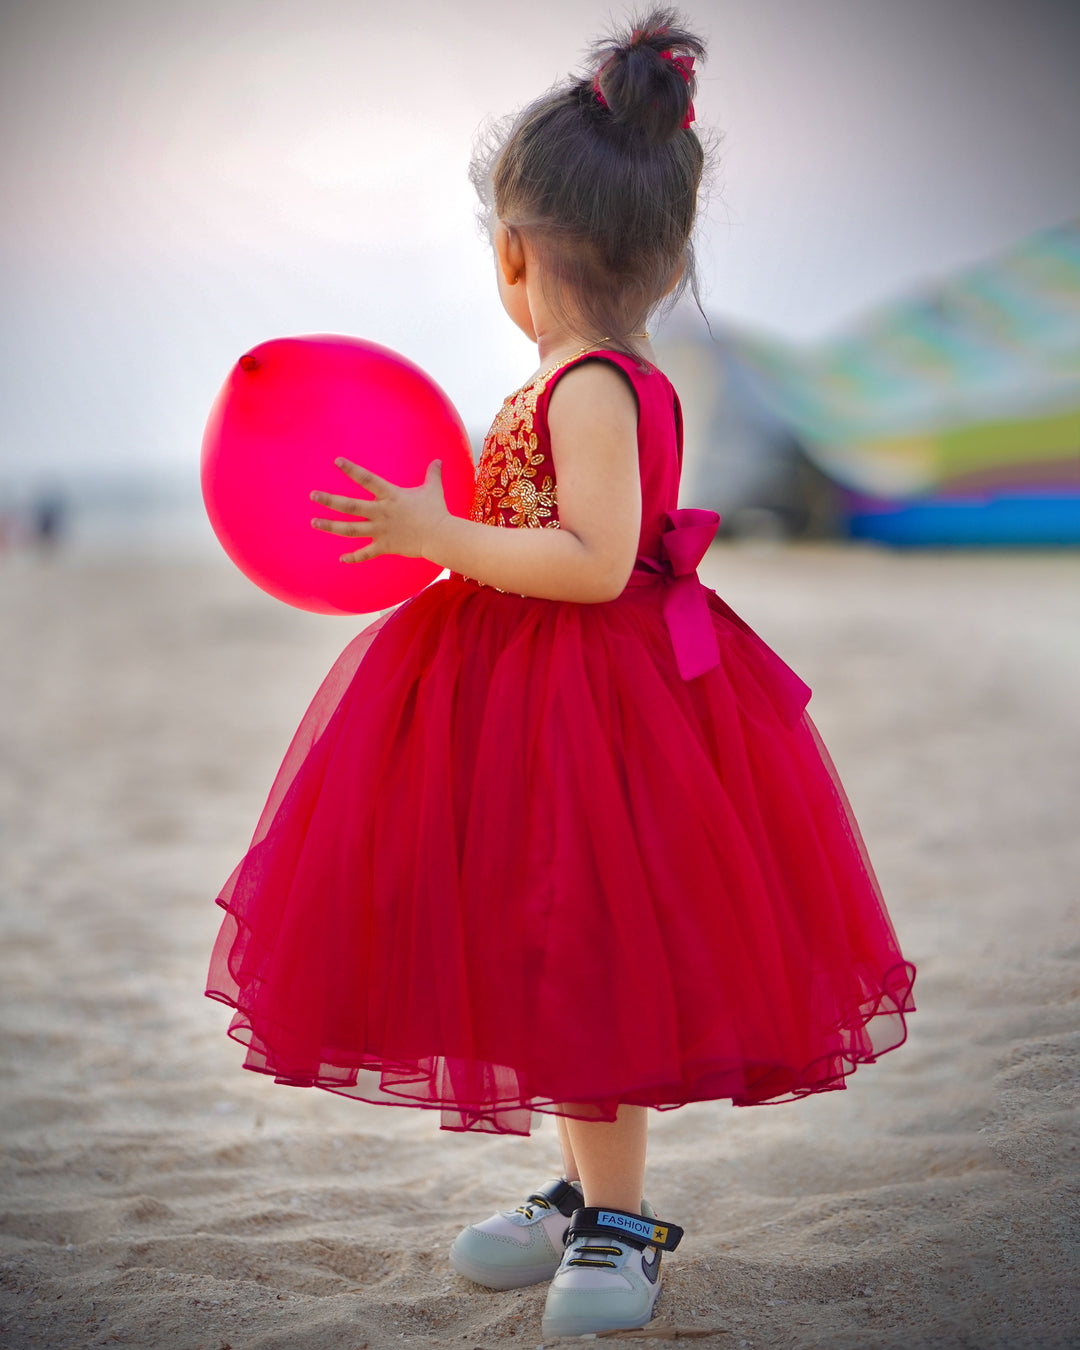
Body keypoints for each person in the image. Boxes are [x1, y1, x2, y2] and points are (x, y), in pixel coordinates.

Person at [206, 8, 916, 1337]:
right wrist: (453, 531)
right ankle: (580, 1186)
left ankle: (626, 1216)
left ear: (515, 254)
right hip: (537, 692)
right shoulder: (573, 373)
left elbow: (592, 561)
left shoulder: (594, 384)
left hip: (597, 699)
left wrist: (433, 535)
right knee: (537, 942)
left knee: (590, 949)